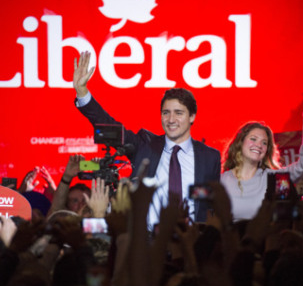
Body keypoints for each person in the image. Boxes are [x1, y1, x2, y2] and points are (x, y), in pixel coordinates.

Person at [72, 51, 221, 226]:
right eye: (166, 113)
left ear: (192, 117)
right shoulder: (145, 147)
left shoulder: (209, 157)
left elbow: (210, 203)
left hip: (192, 243)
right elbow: (107, 124)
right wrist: (82, 92)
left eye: (178, 113)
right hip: (147, 243)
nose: (171, 119)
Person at [220, 102, 303, 221]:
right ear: (240, 143)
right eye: (253, 139)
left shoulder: (272, 178)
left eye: (264, 143)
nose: (259, 145)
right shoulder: (222, 180)